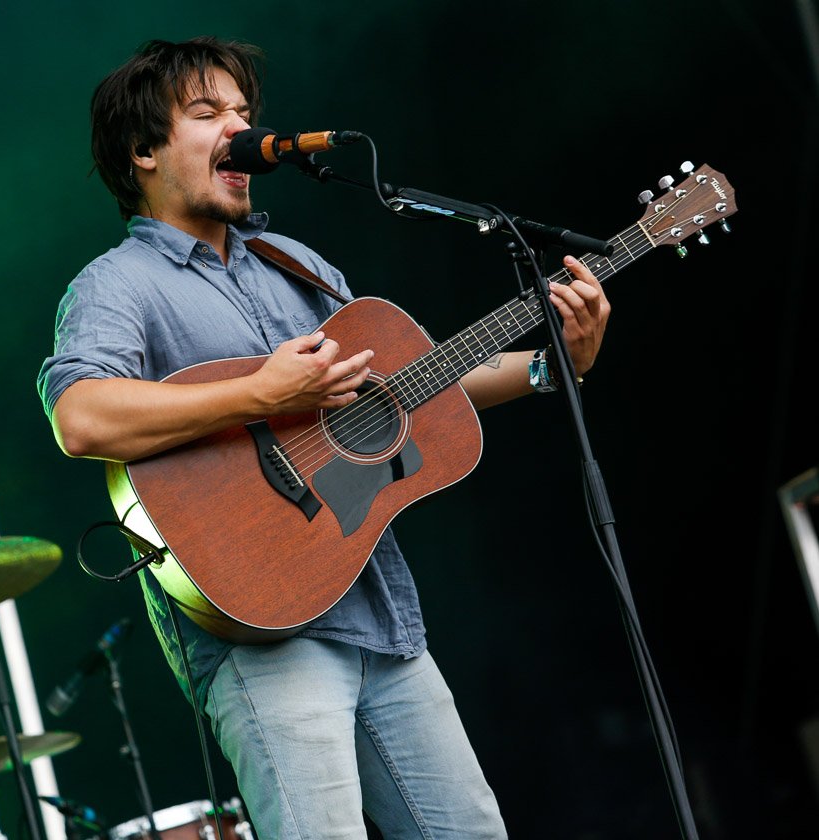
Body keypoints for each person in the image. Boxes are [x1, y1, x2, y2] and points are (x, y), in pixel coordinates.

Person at [36, 36, 611, 839]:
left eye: (244, 113)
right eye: (208, 114)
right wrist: (260, 393)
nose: (239, 131)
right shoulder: (116, 284)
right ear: (142, 151)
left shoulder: (292, 262)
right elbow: (81, 417)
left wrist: (553, 368)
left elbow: (408, 387)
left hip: (379, 612)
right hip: (262, 628)